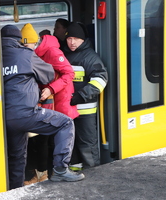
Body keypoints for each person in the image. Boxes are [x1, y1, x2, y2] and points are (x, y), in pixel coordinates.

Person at [1, 24, 85, 190]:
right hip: (26, 114)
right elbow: (47, 74)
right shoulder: (25, 54)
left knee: (17, 156)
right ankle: (60, 169)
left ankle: (14, 190)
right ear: (18, 39)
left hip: (3, 117)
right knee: (65, 123)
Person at [20, 23, 79, 185]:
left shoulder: (52, 51)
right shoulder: (34, 53)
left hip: (59, 100)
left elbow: (69, 73)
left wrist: (51, 89)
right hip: (47, 101)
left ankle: (52, 172)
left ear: (35, 42)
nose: (25, 48)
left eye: (27, 45)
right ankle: (44, 173)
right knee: (43, 139)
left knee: (50, 138)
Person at [64, 22, 108, 169]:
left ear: (83, 40)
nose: (72, 42)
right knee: (71, 143)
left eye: (76, 39)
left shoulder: (90, 56)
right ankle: (75, 171)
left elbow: (101, 79)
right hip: (68, 109)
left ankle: (93, 174)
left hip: (85, 110)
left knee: (87, 145)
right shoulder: (63, 53)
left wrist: (81, 95)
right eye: (69, 38)